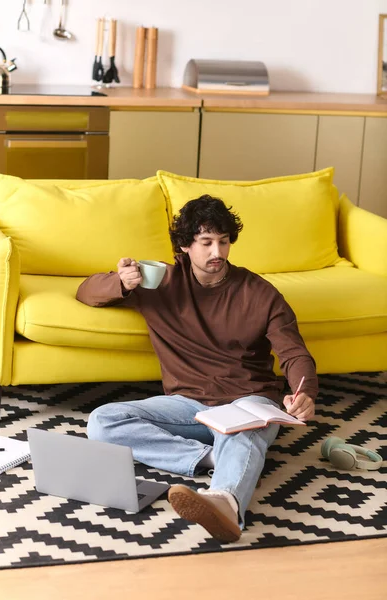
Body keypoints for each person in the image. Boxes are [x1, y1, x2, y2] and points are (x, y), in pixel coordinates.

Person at [76, 195, 317, 543]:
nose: (216, 252)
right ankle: (213, 459)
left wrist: (304, 392)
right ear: (185, 246)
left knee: (244, 431)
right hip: (187, 405)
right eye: (206, 243)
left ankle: (224, 505)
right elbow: (85, 291)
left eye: (223, 241)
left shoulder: (261, 293)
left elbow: (295, 355)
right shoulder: (158, 282)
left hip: (249, 400)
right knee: (102, 421)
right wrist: (122, 282)